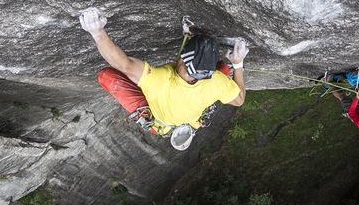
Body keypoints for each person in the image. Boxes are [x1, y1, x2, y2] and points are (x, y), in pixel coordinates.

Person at [79, 9, 249, 143]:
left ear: (182, 58)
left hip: (161, 123)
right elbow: (239, 99)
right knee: (224, 68)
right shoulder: (217, 82)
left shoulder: (160, 81)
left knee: (106, 76)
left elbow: (123, 64)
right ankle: (227, 65)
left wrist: (97, 32)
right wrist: (238, 64)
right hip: (191, 117)